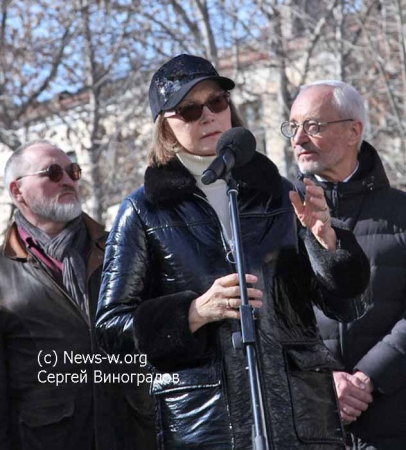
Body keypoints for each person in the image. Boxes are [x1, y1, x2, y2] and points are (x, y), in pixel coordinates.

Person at [96, 54, 370, 450]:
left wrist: (327, 244)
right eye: (189, 110)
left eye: (217, 102)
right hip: (206, 426)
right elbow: (109, 328)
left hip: (301, 420)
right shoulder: (142, 210)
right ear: (165, 128)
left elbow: (350, 307)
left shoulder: (280, 192)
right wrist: (193, 313)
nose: (208, 115)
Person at [0, 140, 155, 450]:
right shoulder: (3, 275)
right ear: (17, 192)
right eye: (53, 173)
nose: (69, 179)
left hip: (134, 433)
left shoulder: (122, 248)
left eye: (73, 171)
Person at [285, 80, 406, 450]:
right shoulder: (275, 220)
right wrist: (326, 377)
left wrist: (368, 377)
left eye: (313, 126)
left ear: (354, 130)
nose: (299, 138)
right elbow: (270, 317)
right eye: (292, 127)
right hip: (309, 425)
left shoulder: (400, 213)